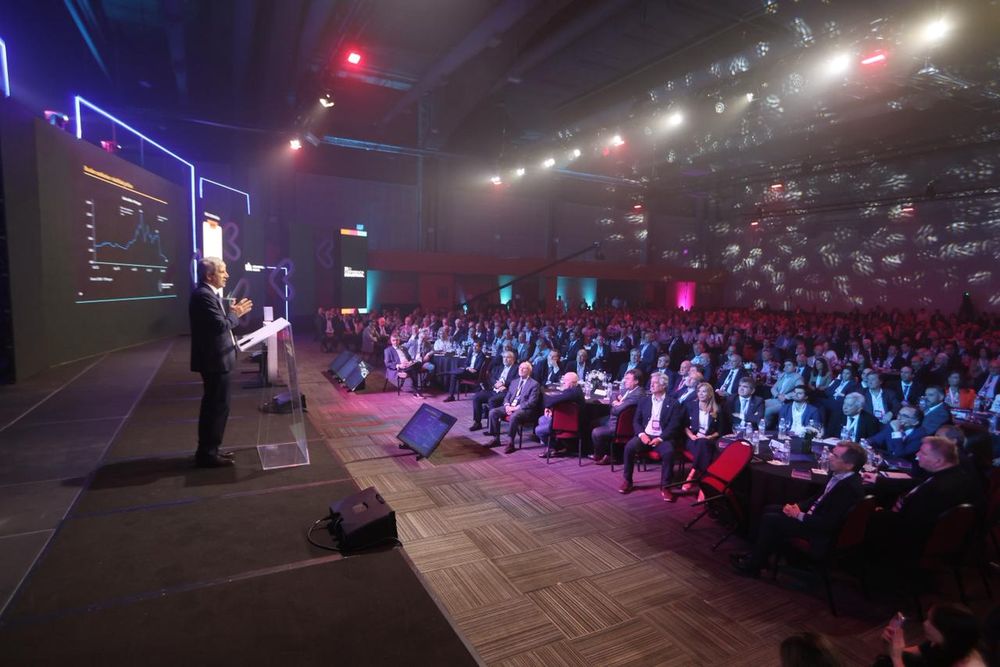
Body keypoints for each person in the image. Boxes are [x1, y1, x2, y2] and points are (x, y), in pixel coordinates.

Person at [731, 441, 866, 577]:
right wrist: (798, 506)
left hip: (820, 532)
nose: (829, 457)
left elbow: (828, 524)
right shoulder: (837, 474)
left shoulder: (849, 489)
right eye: (832, 453)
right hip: (813, 518)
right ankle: (759, 557)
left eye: (835, 456)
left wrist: (798, 515)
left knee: (771, 519)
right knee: (770, 509)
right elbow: (816, 498)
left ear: (849, 465)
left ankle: (754, 566)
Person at [190, 257, 253, 468]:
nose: (227, 275)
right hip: (215, 361)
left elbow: (218, 323)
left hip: (217, 360)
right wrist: (235, 315)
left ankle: (211, 450)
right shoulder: (203, 296)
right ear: (209, 275)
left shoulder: (207, 294)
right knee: (216, 407)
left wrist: (230, 314)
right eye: (223, 271)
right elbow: (219, 326)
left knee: (217, 407)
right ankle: (207, 454)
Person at [618, 372, 685, 499]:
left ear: (664, 385)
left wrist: (660, 438)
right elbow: (636, 421)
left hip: (663, 437)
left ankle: (666, 486)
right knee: (629, 448)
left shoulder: (673, 403)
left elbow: (674, 425)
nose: (651, 385)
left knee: (669, 452)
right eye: (651, 382)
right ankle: (628, 481)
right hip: (645, 435)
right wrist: (641, 434)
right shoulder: (644, 401)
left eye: (655, 383)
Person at [878, 604, 986, 667]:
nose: (925, 624)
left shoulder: (968, 664)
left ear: (947, 633)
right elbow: (908, 653)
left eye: (932, 623)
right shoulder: (940, 644)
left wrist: (896, 657)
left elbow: (898, 658)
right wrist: (890, 645)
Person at [591, 369, 645, 465]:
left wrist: (617, 404)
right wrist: (617, 402)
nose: (625, 381)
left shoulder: (638, 394)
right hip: (615, 419)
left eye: (628, 379)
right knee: (594, 422)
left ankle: (608, 455)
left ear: (636, 381)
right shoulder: (630, 390)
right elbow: (614, 394)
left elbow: (616, 410)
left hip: (623, 425)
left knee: (596, 432)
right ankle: (600, 453)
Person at [486, 362, 540, 453]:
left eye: (524, 368)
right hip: (510, 406)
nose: (521, 370)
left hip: (524, 409)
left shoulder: (534, 384)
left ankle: (510, 442)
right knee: (493, 412)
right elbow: (507, 396)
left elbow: (532, 402)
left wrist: (515, 408)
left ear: (529, 371)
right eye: (520, 368)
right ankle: (496, 439)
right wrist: (507, 405)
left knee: (514, 416)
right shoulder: (514, 382)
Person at [534, 372, 584, 457]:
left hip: (568, 424)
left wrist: (548, 405)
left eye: (565, 381)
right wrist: (550, 409)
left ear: (573, 383)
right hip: (567, 420)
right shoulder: (576, 390)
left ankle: (553, 447)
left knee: (538, 430)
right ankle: (558, 445)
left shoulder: (572, 393)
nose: (563, 383)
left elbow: (550, 400)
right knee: (541, 419)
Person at [470, 351, 517, 431]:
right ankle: (477, 423)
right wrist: (495, 383)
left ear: (513, 359)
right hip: (494, 390)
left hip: (505, 393)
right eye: (504, 357)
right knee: (476, 397)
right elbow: (491, 377)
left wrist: (503, 384)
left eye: (507, 357)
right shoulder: (500, 367)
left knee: (492, 401)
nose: (505, 359)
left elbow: (516, 381)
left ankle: (493, 429)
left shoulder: (516, 368)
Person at [384, 333, 427, 398]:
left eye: (397, 340)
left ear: (399, 340)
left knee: (418, 363)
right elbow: (387, 363)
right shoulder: (388, 350)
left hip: (408, 366)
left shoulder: (403, 348)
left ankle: (416, 391)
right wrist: (399, 365)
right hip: (400, 367)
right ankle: (417, 391)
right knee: (414, 369)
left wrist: (410, 362)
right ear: (391, 341)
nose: (395, 342)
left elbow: (409, 358)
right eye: (394, 340)